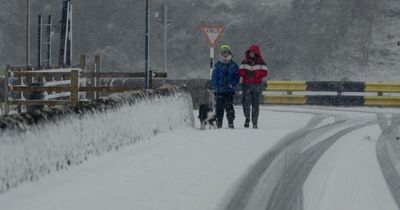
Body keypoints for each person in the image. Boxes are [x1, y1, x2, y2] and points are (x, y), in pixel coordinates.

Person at [239, 44, 269, 129]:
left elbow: (265, 72)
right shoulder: (244, 62)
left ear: (256, 53)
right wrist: (246, 73)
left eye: (253, 52)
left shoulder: (261, 62)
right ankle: (247, 118)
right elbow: (240, 71)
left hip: (257, 86)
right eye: (250, 52)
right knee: (246, 104)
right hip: (246, 86)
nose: (251, 54)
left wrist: (255, 74)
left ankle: (255, 122)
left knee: (256, 105)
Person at [211, 44, 240, 129]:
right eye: (223, 53)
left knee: (229, 107)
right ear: (221, 54)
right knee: (219, 108)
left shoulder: (234, 65)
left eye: (226, 52)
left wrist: (232, 84)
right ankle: (219, 123)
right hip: (219, 91)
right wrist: (215, 86)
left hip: (229, 91)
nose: (225, 54)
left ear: (229, 53)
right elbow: (214, 77)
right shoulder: (217, 65)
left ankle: (230, 122)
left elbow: (237, 77)